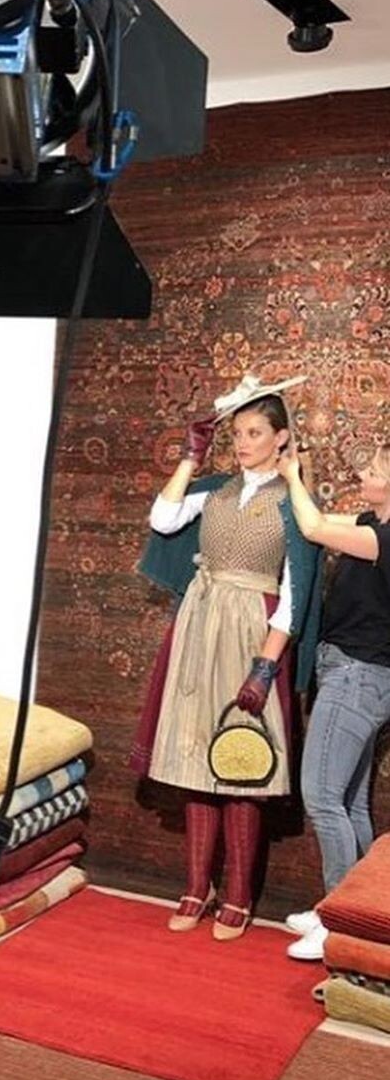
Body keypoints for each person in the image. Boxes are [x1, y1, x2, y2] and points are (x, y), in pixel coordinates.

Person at [132, 372, 321, 940]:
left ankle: (238, 894)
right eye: (237, 433)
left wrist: (266, 666)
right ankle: (197, 887)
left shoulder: (293, 501)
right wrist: (191, 458)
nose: (243, 443)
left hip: (252, 630)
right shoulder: (213, 490)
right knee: (195, 755)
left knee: (242, 758)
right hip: (200, 622)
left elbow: (296, 589)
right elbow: (163, 519)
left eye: (255, 433)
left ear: (281, 438)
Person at [277, 443, 390, 961]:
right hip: (359, 676)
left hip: (357, 677)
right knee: (349, 802)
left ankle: (335, 926)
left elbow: (314, 528)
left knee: (322, 798)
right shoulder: (370, 522)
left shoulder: (384, 538)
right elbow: (318, 519)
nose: (363, 473)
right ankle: (355, 913)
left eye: (375, 470)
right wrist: (296, 473)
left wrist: (291, 475)